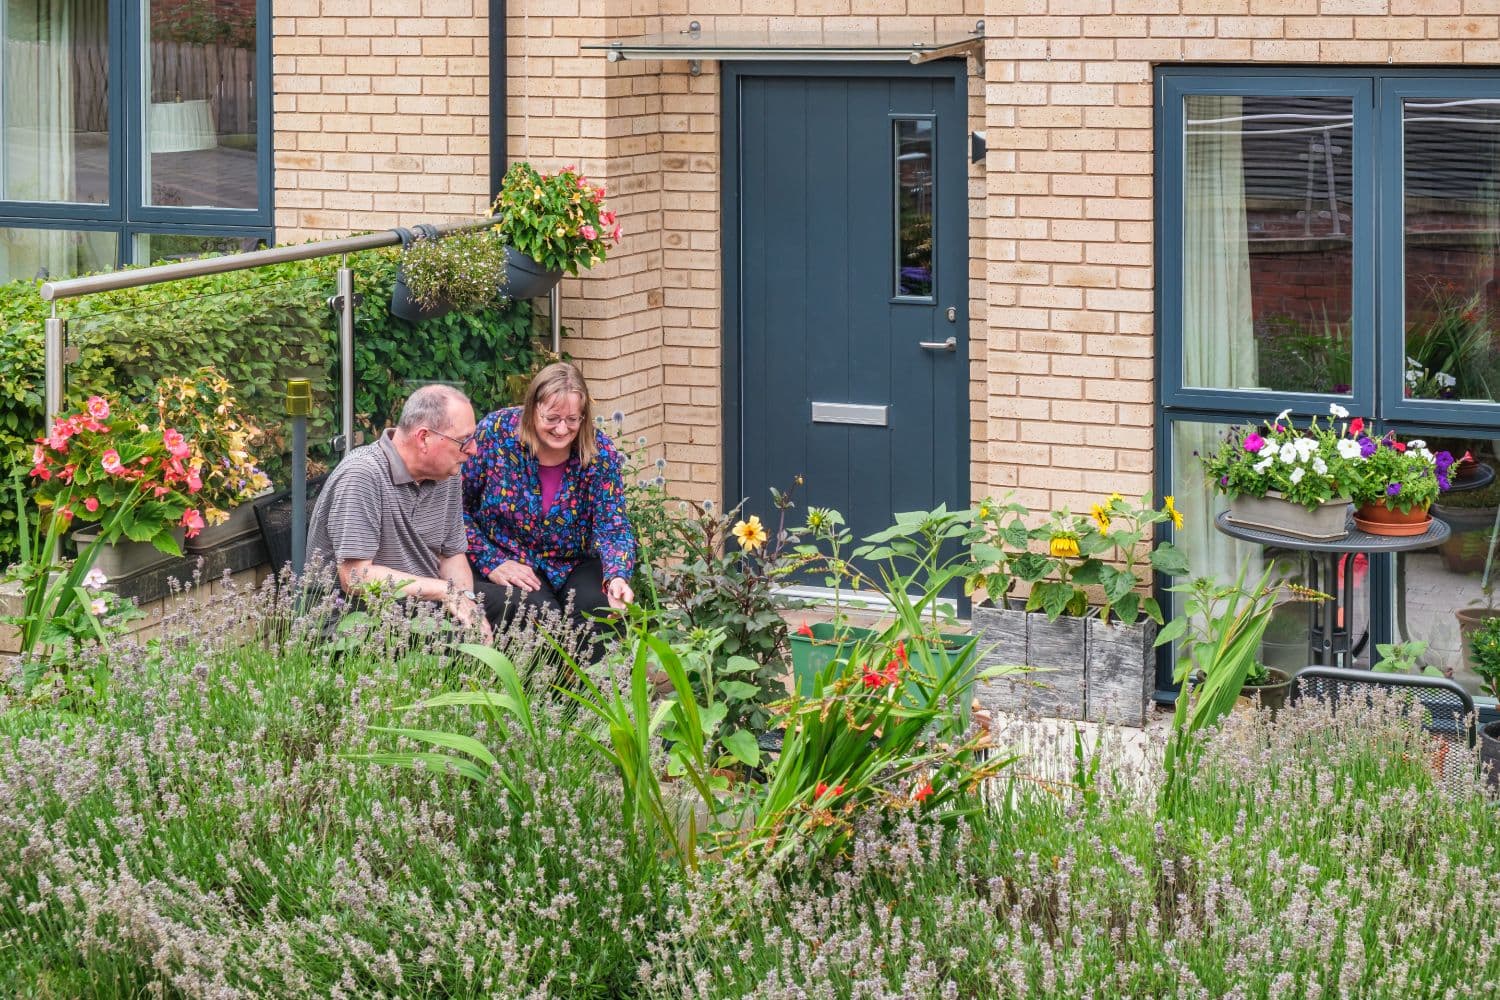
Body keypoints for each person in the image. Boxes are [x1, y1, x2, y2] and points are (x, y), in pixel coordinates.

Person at [463, 362, 635, 652]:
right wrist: (491, 561)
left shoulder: (599, 451)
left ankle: (601, 694)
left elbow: (612, 525)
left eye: (572, 419)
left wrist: (616, 574)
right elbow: (457, 509)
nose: (562, 428)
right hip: (509, 556)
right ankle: (538, 696)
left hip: (574, 561)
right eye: (552, 418)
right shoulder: (495, 434)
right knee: (538, 616)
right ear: (532, 410)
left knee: (602, 610)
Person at [305, 383, 487, 632]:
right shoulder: (363, 474)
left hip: (421, 604)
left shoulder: (447, 473)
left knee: (521, 608)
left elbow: (452, 554)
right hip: (357, 617)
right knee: (465, 648)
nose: (473, 450)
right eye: (464, 441)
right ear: (424, 438)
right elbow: (356, 578)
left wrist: (466, 601)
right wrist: (445, 591)